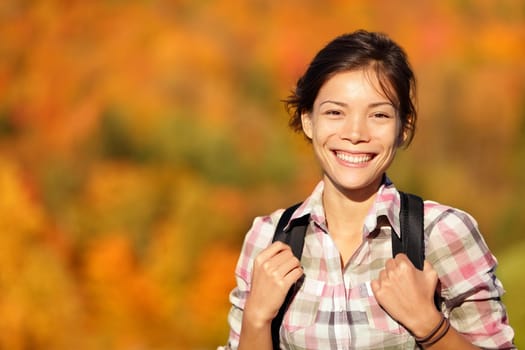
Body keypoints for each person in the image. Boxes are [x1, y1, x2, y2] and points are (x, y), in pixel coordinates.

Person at [221, 30, 515, 349]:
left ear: (403, 128)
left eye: (378, 115)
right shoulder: (268, 238)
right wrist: (256, 318)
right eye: (335, 112)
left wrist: (429, 326)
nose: (355, 133)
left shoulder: (443, 233)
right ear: (308, 120)